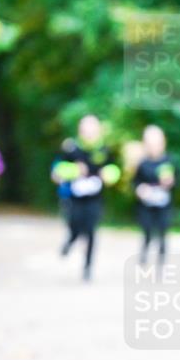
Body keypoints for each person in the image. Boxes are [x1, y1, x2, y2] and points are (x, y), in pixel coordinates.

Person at [50, 115, 120, 281]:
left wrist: (107, 175)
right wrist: (75, 170)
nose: (89, 133)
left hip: (94, 199)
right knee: (74, 225)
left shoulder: (104, 150)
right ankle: (70, 241)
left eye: (92, 130)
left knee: (90, 231)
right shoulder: (71, 148)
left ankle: (88, 267)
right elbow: (57, 170)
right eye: (85, 130)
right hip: (74, 198)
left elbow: (114, 170)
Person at [133, 125, 175, 265]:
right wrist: (140, 189)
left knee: (163, 232)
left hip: (164, 203)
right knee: (147, 231)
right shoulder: (143, 163)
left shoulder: (169, 161)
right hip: (146, 204)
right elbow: (135, 182)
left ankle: (161, 262)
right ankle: (144, 257)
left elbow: (178, 181)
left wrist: (170, 182)